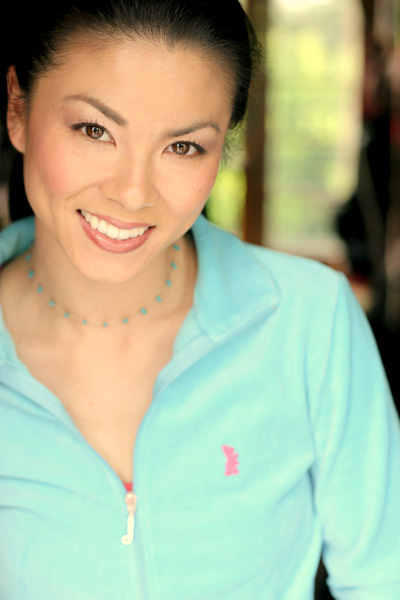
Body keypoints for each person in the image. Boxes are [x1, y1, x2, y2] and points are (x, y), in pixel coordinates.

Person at [0, 1, 399, 598]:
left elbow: (384, 578)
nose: (133, 193)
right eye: (94, 130)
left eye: (183, 147)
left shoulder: (309, 321)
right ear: (18, 108)